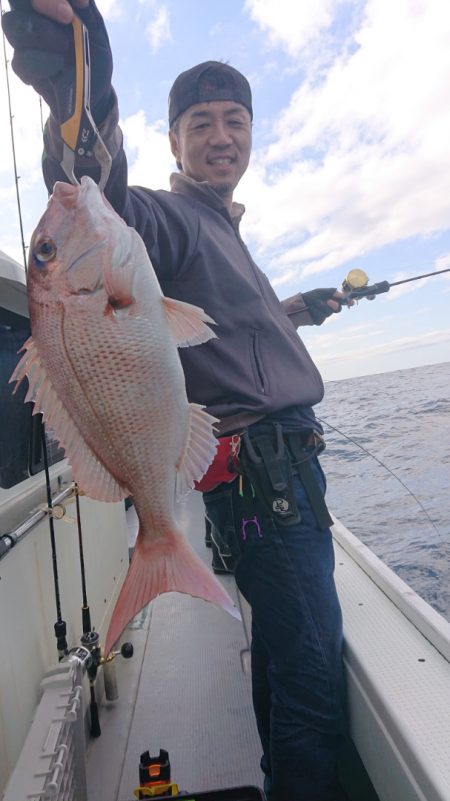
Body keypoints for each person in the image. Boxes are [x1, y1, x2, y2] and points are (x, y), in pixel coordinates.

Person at [3, 3, 349, 798]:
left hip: (274, 481)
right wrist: (73, 51)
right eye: (201, 123)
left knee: (281, 666)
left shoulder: (223, 231)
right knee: (312, 691)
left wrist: (299, 306)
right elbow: (99, 175)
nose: (222, 136)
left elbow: (223, 331)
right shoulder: (162, 218)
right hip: (272, 483)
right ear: (174, 141)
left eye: (236, 121)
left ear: (253, 135)